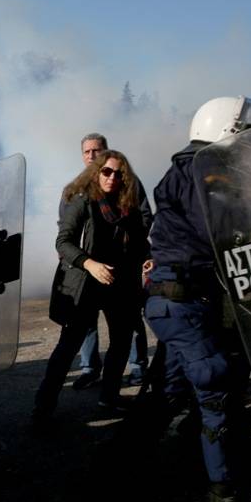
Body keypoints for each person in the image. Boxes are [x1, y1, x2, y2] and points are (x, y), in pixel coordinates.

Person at [144, 96, 251, 502]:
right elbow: (224, 232)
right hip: (183, 301)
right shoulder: (200, 174)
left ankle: (170, 467)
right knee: (217, 390)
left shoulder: (196, 171)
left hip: (187, 300)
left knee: (182, 391)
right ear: (229, 131)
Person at [33, 149, 150, 422]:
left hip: (118, 283)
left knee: (121, 342)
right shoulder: (83, 201)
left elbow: (140, 241)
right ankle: (43, 406)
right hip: (85, 283)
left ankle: (108, 398)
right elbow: (63, 242)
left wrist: (148, 258)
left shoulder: (127, 205)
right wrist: (90, 264)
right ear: (96, 173)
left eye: (118, 173)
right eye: (106, 171)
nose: (112, 177)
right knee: (68, 346)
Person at [70, 133, 151, 390]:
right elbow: (66, 231)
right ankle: (89, 368)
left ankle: (137, 368)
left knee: (129, 325)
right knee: (87, 325)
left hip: (123, 270)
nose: (92, 156)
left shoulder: (129, 182)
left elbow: (145, 216)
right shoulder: (78, 190)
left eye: (97, 151)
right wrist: (82, 260)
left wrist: (137, 248)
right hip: (90, 272)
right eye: (87, 152)